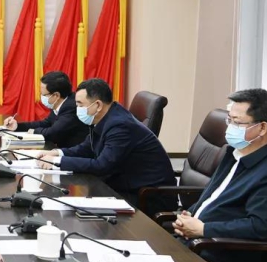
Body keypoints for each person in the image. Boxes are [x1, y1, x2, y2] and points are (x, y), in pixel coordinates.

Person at [173, 89, 267, 262]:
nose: (230, 128)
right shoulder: (233, 153)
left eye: (237, 122)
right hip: (192, 243)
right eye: (229, 120)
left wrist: (204, 229)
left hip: (218, 260)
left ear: (262, 128)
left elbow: (261, 226)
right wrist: (189, 216)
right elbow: (213, 197)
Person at [36, 78, 174, 206]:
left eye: (80, 104)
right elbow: (87, 148)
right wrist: (56, 153)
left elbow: (102, 165)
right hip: (123, 185)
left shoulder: (120, 126)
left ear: (98, 105)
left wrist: (57, 162)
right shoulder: (104, 117)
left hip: (146, 196)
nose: (77, 108)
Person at [3, 71, 87, 147]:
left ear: (56, 95)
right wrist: (17, 126)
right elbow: (46, 123)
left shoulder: (71, 107)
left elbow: (52, 134)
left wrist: (33, 131)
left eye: (44, 94)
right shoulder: (59, 103)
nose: (41, 97)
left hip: (76, 155)